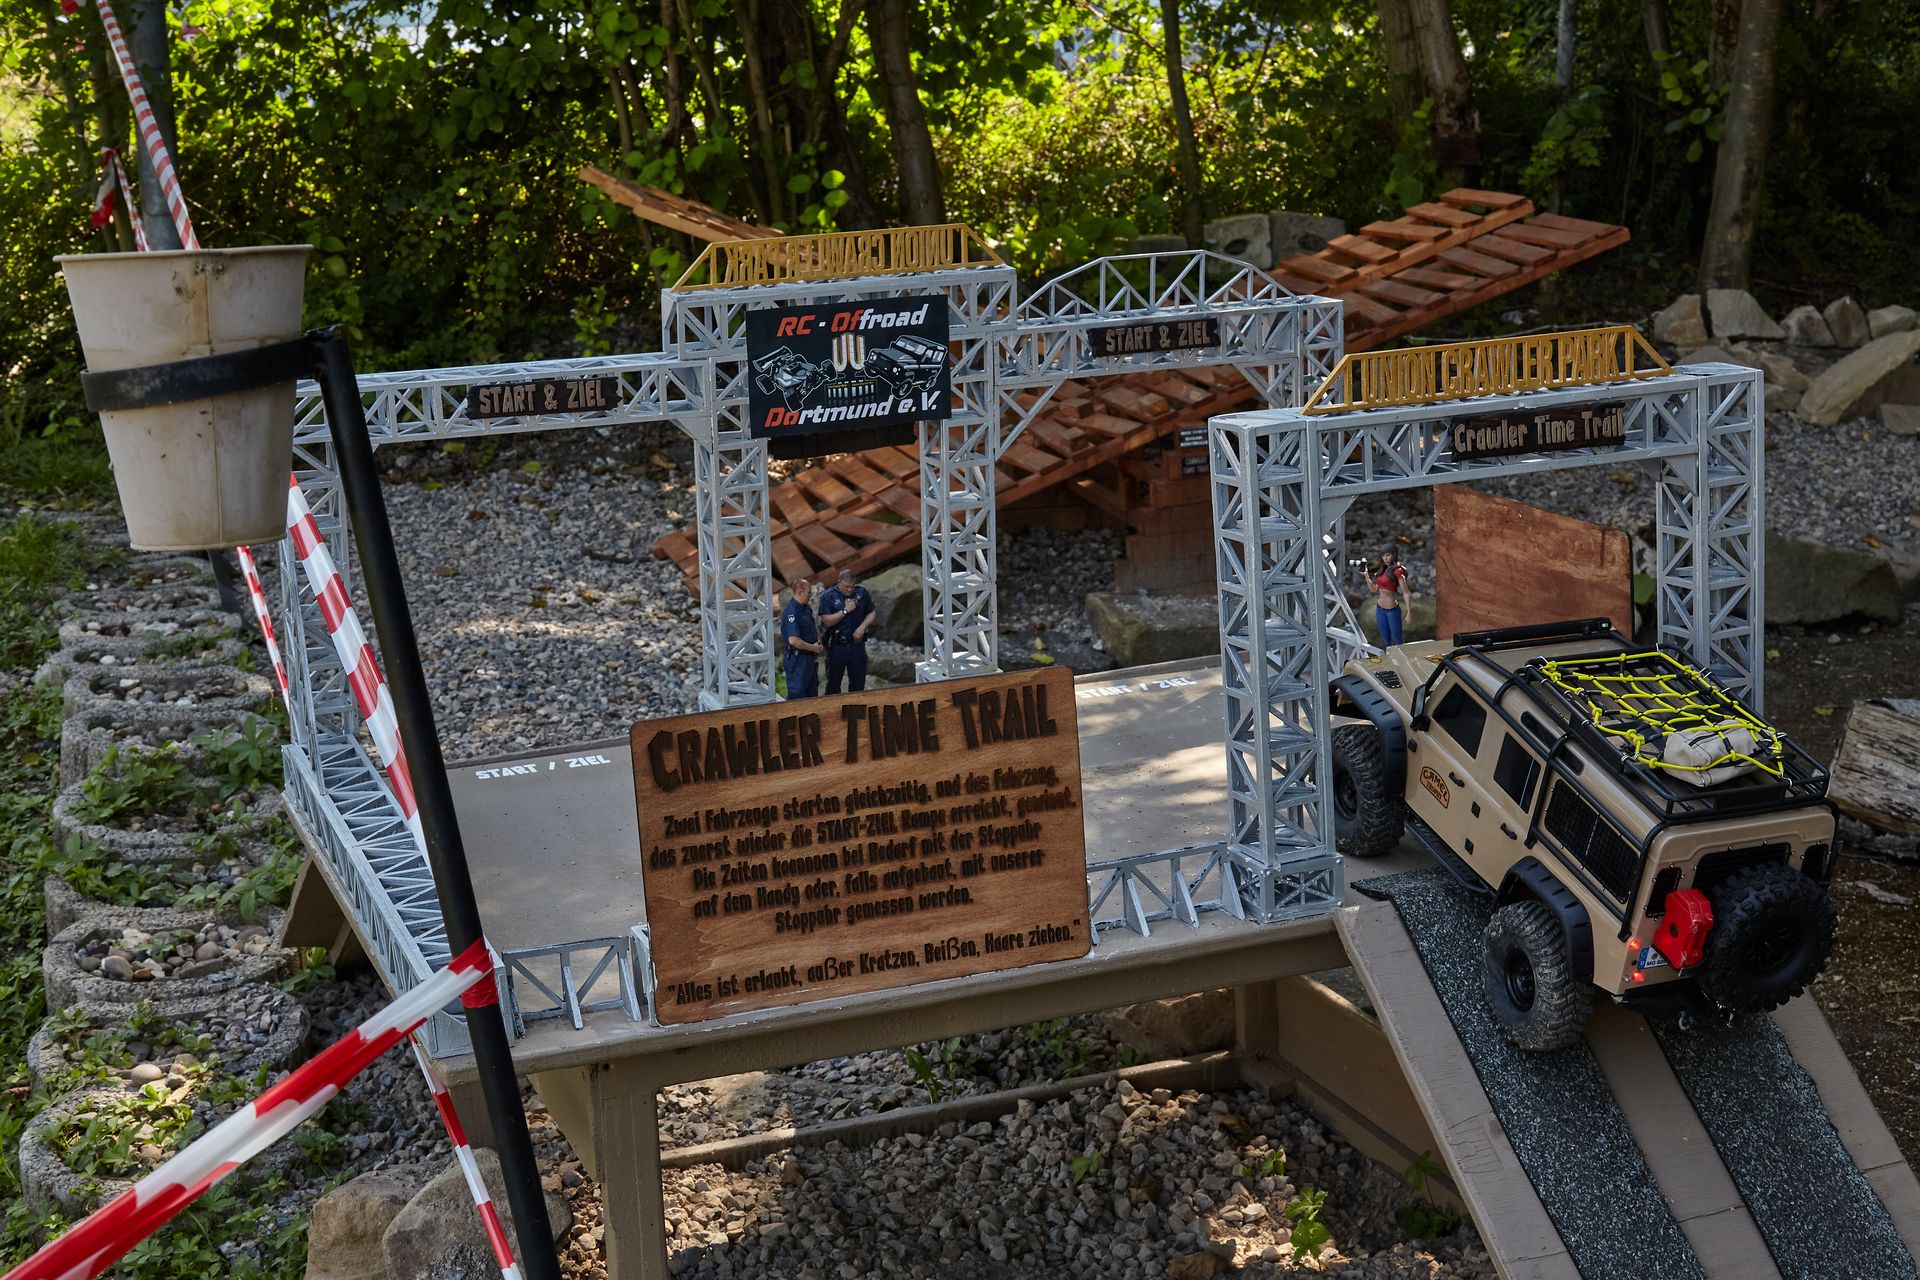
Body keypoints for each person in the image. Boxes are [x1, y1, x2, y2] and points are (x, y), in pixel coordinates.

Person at [816, 568, 875, 694]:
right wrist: (845, 610)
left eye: (852, 586)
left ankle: (855, 706)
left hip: (857, 646)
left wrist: (862, 627)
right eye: (846, 587)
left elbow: (871, 613)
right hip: (836, 647)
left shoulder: (861, 593)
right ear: (839, 582)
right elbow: (827, 620)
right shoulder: (829, 595)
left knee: (858, 685)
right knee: (833, 685)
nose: (849, 590)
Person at [780, 578, 823, 698]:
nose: (811, 596)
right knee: (798, 695)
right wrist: (813, 648)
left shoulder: (805, 608)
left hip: (809, 659)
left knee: (812, 694)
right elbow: (793, 640)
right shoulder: (792, 612)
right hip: (798, 660)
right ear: (800, 592)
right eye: (809, 593)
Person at [1373, 547, 1412, 647]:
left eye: (1388, 555)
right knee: (1386, 641)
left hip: (1392, 611)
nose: (1385, 558)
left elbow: (1406, 593)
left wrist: (1409, 612)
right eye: (1383, 555)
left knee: (1398, 641)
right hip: (1380, 609)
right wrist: (1366, 577)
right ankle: (1391, 657)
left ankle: (1401, 658)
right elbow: (1374, 589)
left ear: (1393, 555)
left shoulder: (1397, 571)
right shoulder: (1381, 570)